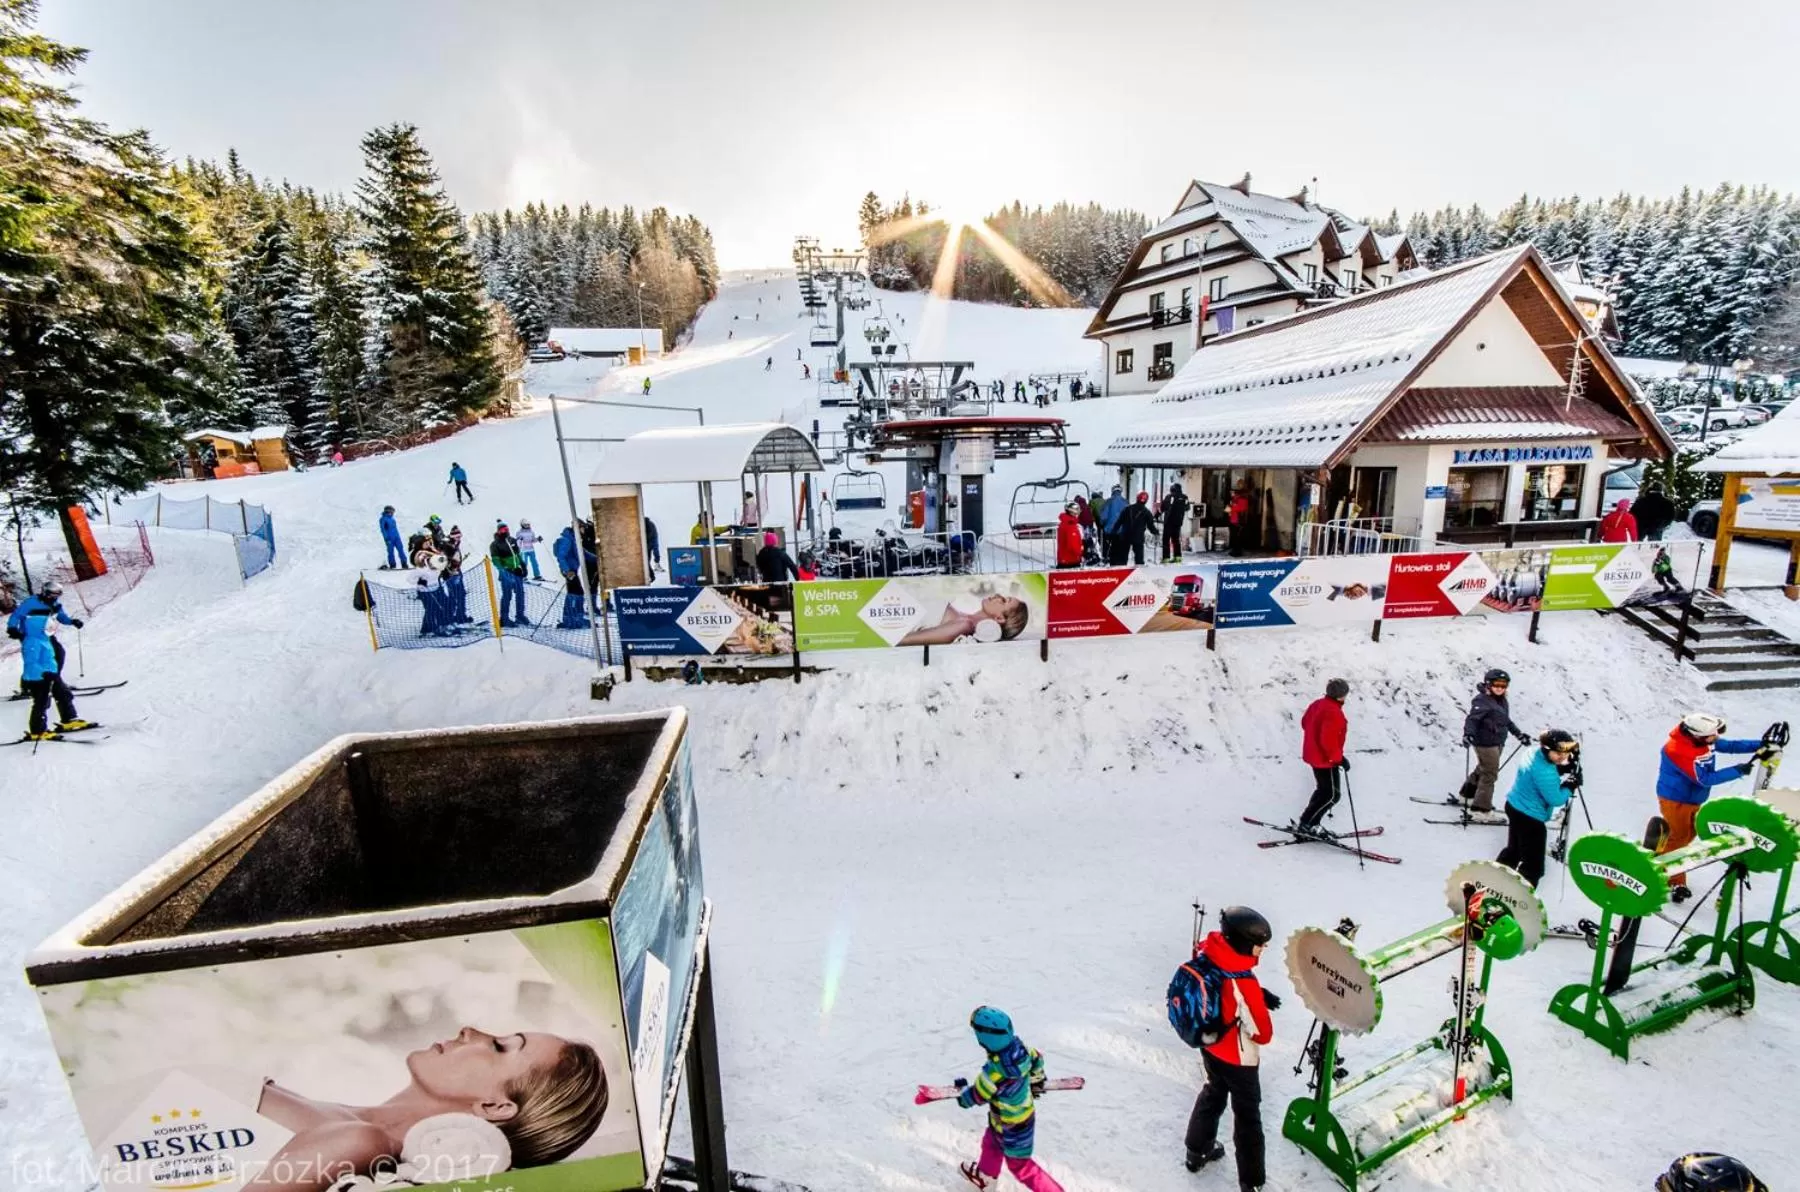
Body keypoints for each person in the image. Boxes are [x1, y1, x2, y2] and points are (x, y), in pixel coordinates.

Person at [245, 1025, 607, 1191]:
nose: (471, 1031)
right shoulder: (342, 1122)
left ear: (494, 1106)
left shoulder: (358, 1142)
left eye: (499, 1046)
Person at [1184, 906, 1276, 1192]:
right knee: (1248, 1116)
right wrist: (1256, 1001)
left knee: (1212, 1091)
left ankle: (1196, 1152)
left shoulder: (1208, 951)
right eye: (1261, 945)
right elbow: (1263, 1034)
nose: (1263, 950)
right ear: (1246, 944)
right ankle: (1252, 1183)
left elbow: (1220, 988)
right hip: (1239, 1059)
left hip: (1208, 1043)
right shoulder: (1243, 981)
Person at [1655, 713, 1771, 902]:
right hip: (1676, 800)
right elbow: (1704, 779)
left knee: (1685, 836)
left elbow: (1729, 746)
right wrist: (1737, 770)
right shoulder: (1678, 751)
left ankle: (1661, 859)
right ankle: (1672, 879)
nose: (1716, 737)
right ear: (1696, 735)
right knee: (1679, 839)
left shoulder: (1701, 740)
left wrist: (1759, 744)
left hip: (1692, 798)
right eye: (1712, 734)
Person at [953, 1007, 1065, 1192]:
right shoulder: (1022, 1052)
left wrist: (963, 1094)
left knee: (1021, 1167)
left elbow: (977, 1095)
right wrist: (1036, 1078)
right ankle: (986, 1179)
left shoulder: (994, 1072)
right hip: (1020, 1116)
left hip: (1011, 1127)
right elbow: (1037, 1058)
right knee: (991, 1144)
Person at [1496, 729, 1580, 887]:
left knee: (1514, 852)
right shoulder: (1545, 772)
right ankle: (1521, 900)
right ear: (1547, 749)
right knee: (1533, 867)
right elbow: (1555, 799)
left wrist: (1560, 768)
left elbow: (1539, 771)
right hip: (1530, 818)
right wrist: (1570, 785)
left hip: (1515, 806)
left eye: (1566, 753)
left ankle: (1495, 883)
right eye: (1558, 753)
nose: (1562, 757)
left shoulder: (1532, 752)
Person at [7, 580, 87, 740]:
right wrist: (12, 628)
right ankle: (37, 723)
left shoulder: (54, 606)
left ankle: (69, 718)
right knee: (42, 689)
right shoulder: (30, 604)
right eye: (52, 594)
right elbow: (16, 616)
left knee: (60, 678)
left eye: (57, 595)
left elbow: (61, 616)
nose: (54, 598)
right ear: (45, 592)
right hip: (33, 641)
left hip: (44, 639)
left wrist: (72, 621)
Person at [1460, 668, 1532, 814]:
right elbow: (1472, 719)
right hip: (1485, 742)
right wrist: (1468, 734)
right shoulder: (1482, 700)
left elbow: (1506, 721)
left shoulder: (1502, 700)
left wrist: (1519, 735)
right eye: (1496, 684)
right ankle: (1481, 808)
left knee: (1483, 767)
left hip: (1498, 741)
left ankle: (1467, 794)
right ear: (1488, 684)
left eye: (1503, 685)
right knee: (1490, 773)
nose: (1500, 688)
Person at [1294, 679, 1350, 833]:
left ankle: (1307, 821)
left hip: (1313, 755)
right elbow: (1329, 740)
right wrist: (1338, 759)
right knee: (1332, 795)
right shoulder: (1333, 712)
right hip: (1326, 760)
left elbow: (1305, 722)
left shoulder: (1318, 704)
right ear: (1341, 695)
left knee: (1323, 791)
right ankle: (1309, 824)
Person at [898, 593, 1029, 646]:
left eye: (1005, 601)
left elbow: (905, 639)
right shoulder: (962, 618)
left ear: (1000, 618)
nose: (998, 596)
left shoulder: (965, 625)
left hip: (888, 620)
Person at [490, 522, 528, 628]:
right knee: (507, 595)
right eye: (502, 530)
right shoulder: (495, 544)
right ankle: (504, 618)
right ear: (498, 531)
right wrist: (505, 570)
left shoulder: (512, 540)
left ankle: (520, 616)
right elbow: (496, 561)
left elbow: (518, 555)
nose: (505, 531)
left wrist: (523, 566)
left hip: (517, 572)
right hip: (506, 574)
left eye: (506, 529)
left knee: (520, 594)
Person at [553, 526, 590, 629]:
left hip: (572, 570)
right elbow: (561, 556)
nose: (583, 532)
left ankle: (574, 618)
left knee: (576, 593)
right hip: (570, 571)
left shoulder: (573, 539)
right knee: (576, 593)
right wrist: (567, 570)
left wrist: (596, 558)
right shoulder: (567, 540)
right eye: (582, 529)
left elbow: (583, 554)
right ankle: (571, 619)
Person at [1117, 492, 1157, 566]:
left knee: (1122, 557)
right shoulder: (1147, 512)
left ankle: (1122, 571)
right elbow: (1151, 526)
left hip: (1126, 535)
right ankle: (1139, 572)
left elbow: (1119, 521)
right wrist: (1155, 532)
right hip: (1138, 537)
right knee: (1139, 558)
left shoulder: (1127, 508)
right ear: (1146, 500)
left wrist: (1113, 531)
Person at [443, 527, 471, 623]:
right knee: (455, 596)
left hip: (457, 573)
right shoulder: (448, 546)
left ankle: (460, 615)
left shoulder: (454, 544)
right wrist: (451, 566)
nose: (459, 539)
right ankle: (451, 617)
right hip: (451, 575)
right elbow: (444, 560)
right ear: (453, 536)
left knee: (461, 595)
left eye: (460, 536)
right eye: (457, 537)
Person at [1160, 483, 1191, 564]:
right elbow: (1187, 508)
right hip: (1178, 522)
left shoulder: (1169, 497)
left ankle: (1166, 558)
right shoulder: (1185, 497)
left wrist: (1156, 515)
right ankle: (1178, 558)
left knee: (1166, 540)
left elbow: (1162, 508)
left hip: (1168, 522)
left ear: (1172, 489)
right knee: (1176, 540)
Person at [1097, 485, 1126, 563]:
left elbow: (1104, 516)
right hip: (1122, 530)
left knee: (1110, 546)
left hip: (1109, 530)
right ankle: (1120, 562)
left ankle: (1110, 559)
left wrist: (1102, 523)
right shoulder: (1125, 502)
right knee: (1119, 547)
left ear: (1112, 491)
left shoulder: (1108, 501)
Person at [1055, 502, 1083, 569]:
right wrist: (1079, 553)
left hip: (1064, 558)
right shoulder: (1070, 525)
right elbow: (1073, 544)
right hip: (1071, 560)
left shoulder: (1065, 522)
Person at [1227, 483, 1251, 557]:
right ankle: (1235, 550)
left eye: (1232, 493)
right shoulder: (1235, 499)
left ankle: (1237, 552)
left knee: (1237, 537)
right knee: (1235, 537)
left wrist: (1231, 507)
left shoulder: (1241, 499)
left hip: (1237, 521)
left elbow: (1240, 508)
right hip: (1235, 520)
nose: (1231, 494)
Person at [379, 505, 406, 570]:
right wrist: (386, 539)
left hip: (397, 538)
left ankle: (404, 563)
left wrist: (398, 537)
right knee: (391, 551)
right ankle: (392, 564)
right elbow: (383, 530)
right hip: (389, 539)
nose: (393, 513)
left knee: (401, 550)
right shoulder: (383, 519)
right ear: (388, 511)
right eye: (392, 511)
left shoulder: (392, 519)